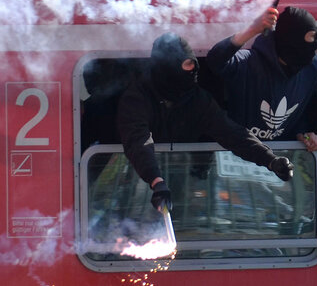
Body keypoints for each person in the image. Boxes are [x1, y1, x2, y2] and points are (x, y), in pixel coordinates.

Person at [117, 32, 294, 211]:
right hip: (141, 176)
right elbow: (138, 141)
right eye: (186, 64)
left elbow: (231, 133)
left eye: (193, 63)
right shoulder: (137, 98)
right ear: (167, 68)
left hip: (189, 174)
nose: (193, 70)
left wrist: (270, 160)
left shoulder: (197, 98)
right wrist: (156, 181)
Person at [206, 6, 317, 152]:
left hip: (275, 164)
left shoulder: (312, 72)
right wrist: (252, 30)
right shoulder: (248, 63)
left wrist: (305, 136)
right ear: (290, 39)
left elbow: (300, 118)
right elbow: (215, 60)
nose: (313, 44)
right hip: (233, 153)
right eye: (309, 38)